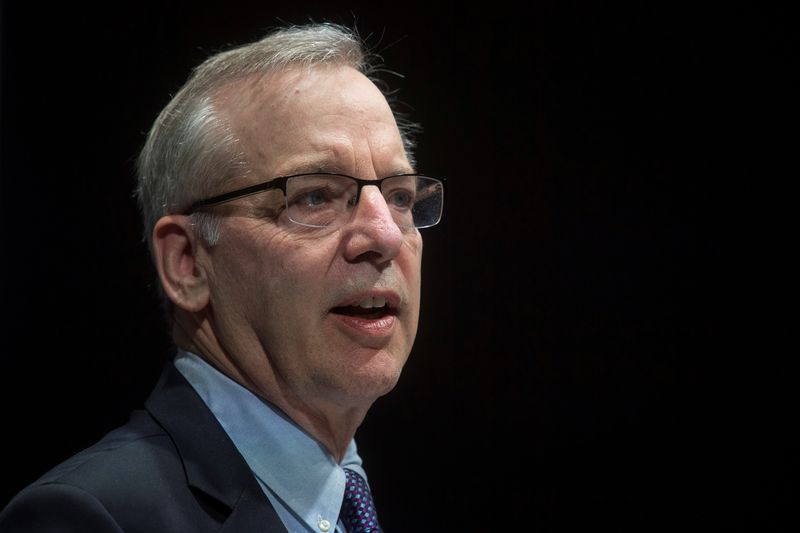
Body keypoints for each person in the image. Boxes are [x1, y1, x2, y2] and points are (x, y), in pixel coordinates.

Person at [0, 22, 443, 532]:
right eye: (315, 196)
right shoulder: (90, 518)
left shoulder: (361, 501)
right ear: (187, 262)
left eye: (400, 196)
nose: (385, 235)